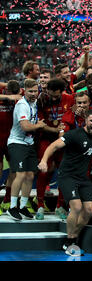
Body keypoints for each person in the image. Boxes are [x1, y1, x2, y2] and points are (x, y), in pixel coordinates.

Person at [38, 109, 92, 256]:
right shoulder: (74, 135)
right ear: (86, 120)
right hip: (67, 176)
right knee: (76, 207)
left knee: (89, 210)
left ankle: (72, 237)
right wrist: (44, 161)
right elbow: (53, 146)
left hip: (83, 178)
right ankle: (71, 242)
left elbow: (91, 150)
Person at [6, 79, 46, 221]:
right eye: (30, 91)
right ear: (24, 91)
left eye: (35, 91)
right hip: (17, 143)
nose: (33, 94)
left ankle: (23, 206)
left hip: (29, 143)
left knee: (30, 175)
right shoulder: (22, 105)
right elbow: (25, 127)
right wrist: (39, 125)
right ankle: (12, 207)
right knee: (21, 175)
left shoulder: (35, 102)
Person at [35, 78, 74, 220]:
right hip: (46, 138)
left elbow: (73, 113)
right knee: (44, 170)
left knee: (63, 172)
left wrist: (64, 127)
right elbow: (40, 124)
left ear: (62, 92)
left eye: (56, 96)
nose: (53, 98)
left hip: (64, 140)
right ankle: (39, 205)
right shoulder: (42, 101)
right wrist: (55, 129)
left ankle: (60, 206)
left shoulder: (69, 99)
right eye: (51, 94)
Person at [0, 81, 22, 215]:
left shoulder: (21, 96)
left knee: (14, 169)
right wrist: (9, 97)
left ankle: (7, 200)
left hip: (13, 139)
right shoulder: (5, 95)